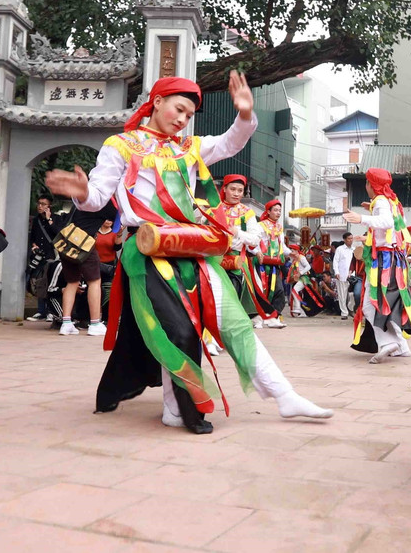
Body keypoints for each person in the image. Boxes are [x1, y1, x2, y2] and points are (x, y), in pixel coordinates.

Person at [45, 73, 332, 434]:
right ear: (157, 102)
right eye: (178, 109)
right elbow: (99, 196)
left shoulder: (189, 148)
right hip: (146, 251)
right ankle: (175, 405)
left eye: (188, 114)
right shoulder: (121, 145)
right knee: (177, 331)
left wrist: (244, 115)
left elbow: (230, 143)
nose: (182, 119)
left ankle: (284, 395)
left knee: (234, 323)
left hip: (191, 249)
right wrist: (82, 192)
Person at [344, 168, 411, 363]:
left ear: (371, 184)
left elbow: (385, 222)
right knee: (389, 303)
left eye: (367, 182)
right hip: (393, 260)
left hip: (384, 262)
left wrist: (361, 218)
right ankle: (402, 346)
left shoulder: (381, 201)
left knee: (370, 305)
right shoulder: (392, 201)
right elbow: (392, 227)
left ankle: (387, 343)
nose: (366, 186)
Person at [220, 174, 285, 329]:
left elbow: (255, 240)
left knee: (249, 291)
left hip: (237, 261)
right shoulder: (214, 209)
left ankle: (259, 317)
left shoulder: (246, 212)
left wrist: (238, 233)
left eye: (240, 190)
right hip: (214, 260)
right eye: (233, 189)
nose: (236, 193)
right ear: (224, 189)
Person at [56, 202, 116, 337]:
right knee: (94, 281)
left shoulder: (81, 198)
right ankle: (95, 324)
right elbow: (118, 218)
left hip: (66, 241)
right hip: (84, 242)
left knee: (72, 282)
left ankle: (66, 323)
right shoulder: (102, 202)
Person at [253, 200, 292, 326]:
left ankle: (273, 317)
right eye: (275, 210)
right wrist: (257, 252)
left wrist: (292, 253)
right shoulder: (260, 225)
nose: (278, 213)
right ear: (268, 211)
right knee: (261, 290)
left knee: (278, 290)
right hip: (261, 262)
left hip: (275, 264)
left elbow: (282, 246)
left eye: (280, 210)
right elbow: (255, 242)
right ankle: (258, 318)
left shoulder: (279, 228)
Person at [26, 195, 57, 321]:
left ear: (49, 206)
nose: (40, 206)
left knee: (51, 283)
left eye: (44, 204)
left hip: (51, 255)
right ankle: (41, 311)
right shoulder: (36, 220)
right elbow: (33, 237)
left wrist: (49, 219)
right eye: (39, 203)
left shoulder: (55, 219)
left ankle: (51, 311)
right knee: (39, 282)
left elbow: (58, 233)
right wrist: (34, 245)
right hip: (39, 256)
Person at [332, 232, 354, 320]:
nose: (350, 240)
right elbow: (335, 261)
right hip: (341, 275)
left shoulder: (354, 249)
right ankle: (344, 313)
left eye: (352, 238)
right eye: (349, 239)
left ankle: (351, 308)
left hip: (352, 275)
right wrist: (336, 272)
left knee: (351, 294)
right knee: (342, 294)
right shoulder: (340, 249)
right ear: (344, 240)